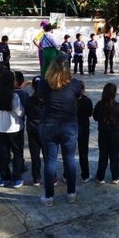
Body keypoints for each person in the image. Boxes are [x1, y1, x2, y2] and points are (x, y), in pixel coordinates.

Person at [38, 55, 80, 206]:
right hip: (69, 125)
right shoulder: (75, 84)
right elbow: (79, 96)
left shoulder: (43, 84)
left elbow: (41, 99)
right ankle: (71, 193)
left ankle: (49, 197)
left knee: (50, 161)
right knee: (69, 159)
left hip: (48, 125)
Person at [0, 69, 25, 189]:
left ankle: (4, 177)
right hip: (15, 128)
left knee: (4, 153)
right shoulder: (14, 96)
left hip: (1, 128)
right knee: (17, 153)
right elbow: (20, 112)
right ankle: (16, 177)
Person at [93, 83, 119, 184]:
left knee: (103, 155)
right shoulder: (117, 105)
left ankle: (100, 177)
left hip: (103, 133)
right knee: (114, 155)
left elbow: (95, 117)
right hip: (115, 133)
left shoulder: (99, 105)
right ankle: (115, 176)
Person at [25, 76, 44, 186]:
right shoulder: (48, 99)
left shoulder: (29, 100)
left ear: (33, 86)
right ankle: (53, 176)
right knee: (48, 155)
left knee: (35, 155)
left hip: (32, 129)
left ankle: (36, 178)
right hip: (45, 130)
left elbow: (26, 113)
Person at [76, 80, 93, 183]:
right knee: (83, 152)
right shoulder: (87, 101)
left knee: (68, 153)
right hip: (83, 128)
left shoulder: (70, 100)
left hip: (71, 127)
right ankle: (85, 174)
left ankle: (66, 174)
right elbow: (90, 113)